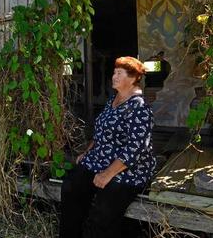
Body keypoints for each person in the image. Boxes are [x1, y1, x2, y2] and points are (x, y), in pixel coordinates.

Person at [59, 56, 156, 238]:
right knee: (71, 188)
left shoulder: (140, 108)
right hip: (100, 158)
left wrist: (109, 173)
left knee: (103, 210)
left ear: (133, 77)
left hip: (128, 168)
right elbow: (101, 129)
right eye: (114, 72)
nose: (114, 76)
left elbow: (135, 149)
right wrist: (87, 152)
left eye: (119, 73)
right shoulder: (113, 99)